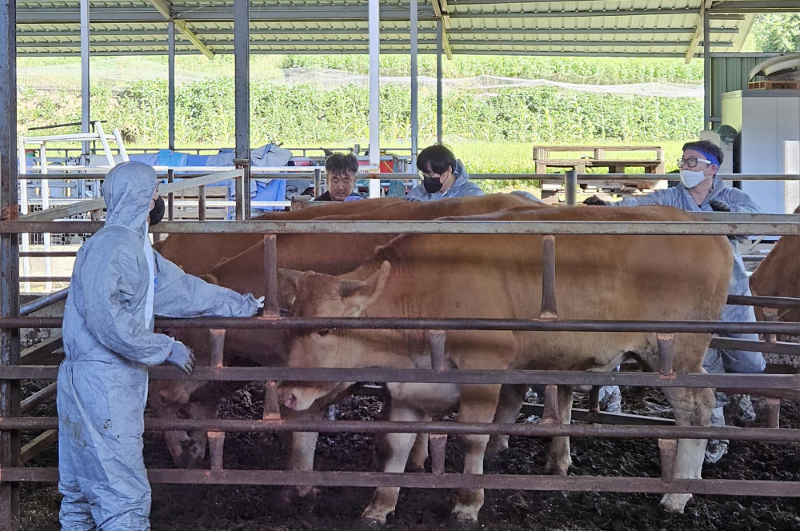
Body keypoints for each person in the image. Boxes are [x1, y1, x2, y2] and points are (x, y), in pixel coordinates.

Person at [58, 161, 264, 530]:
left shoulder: (135, 248)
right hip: (102, 384)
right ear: (141, 198)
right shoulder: (114, 247)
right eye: (153, 192)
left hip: (101, 381)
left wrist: (241, 304)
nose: (157, 199)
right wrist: (163, 347)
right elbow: (107, 318)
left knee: (83, 492)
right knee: (123, 496)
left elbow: (181, 290)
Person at [584, 140, 765, 463]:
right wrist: (605, 208)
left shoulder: (732, 198)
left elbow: (759, 223)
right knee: (700, 360)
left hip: (732, 289)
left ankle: (740, 391)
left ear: (712, 169)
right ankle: (716, 429)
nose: (685, 168)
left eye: (693, 162)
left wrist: (733, 219)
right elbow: (638, 205)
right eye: (683, 161)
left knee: (749, 360)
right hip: (687, 295)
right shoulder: (670, 197)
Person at [407, 144, 484, 201]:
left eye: (430, 175)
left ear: (448, 171)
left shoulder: (471, 194)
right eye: (424, 175)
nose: (426, 179)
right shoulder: (421, 191)